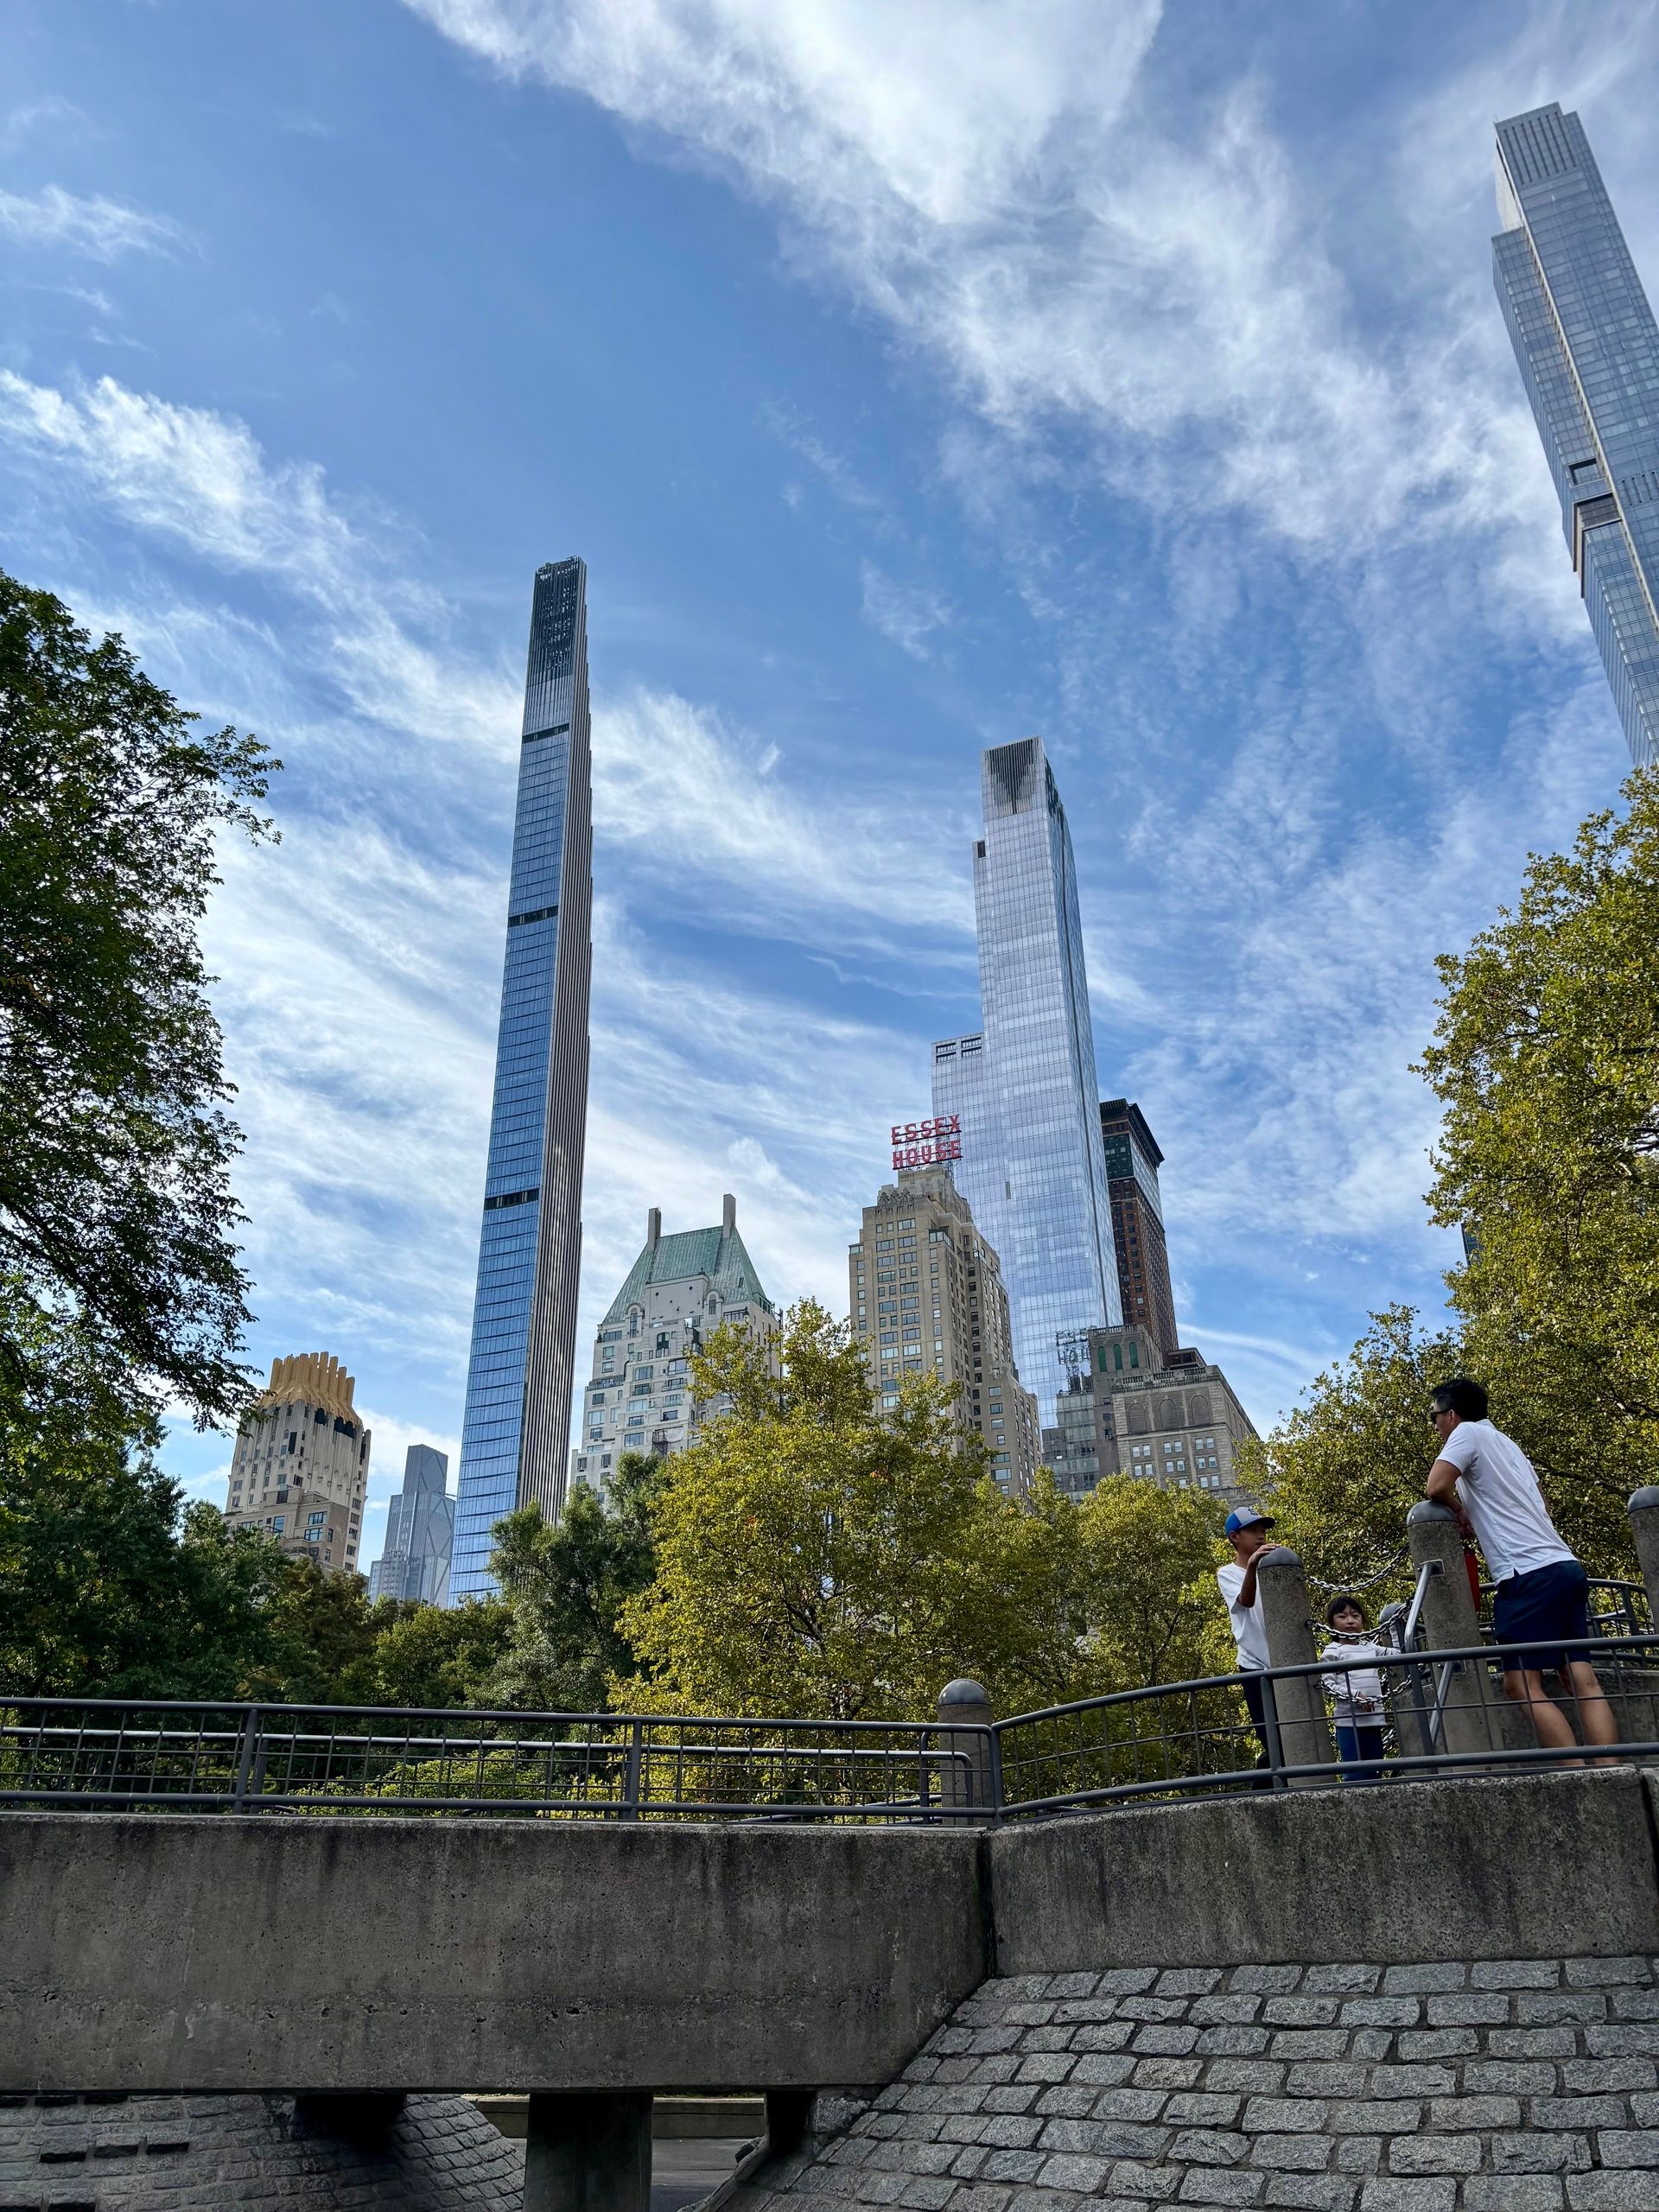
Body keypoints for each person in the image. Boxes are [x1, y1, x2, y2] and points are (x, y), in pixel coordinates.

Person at [1425, 1376, 1617, 1755]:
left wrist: (1460, 1511)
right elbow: (1543, 1505)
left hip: (1527, 1574)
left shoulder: (1466, 1434)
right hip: (1564, 1565)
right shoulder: (1509, 1445)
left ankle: (1575, 1773)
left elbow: (1436, 1486)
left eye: (1435, 1417)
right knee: (1581, 1679)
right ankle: (1613, 1769)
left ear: (1452, 1415)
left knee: (1522, 1685)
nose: (1435, 1426)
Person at [1217, 1507, 1276, 1782]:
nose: (1260, 1535)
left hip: (1282, 1662)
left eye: (1262, 1530)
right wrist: (1252, 1565)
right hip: (1255, 1666)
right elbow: (1246, 1601)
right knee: (1272, 1739)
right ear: (1234, 1537)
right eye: (1252, 1530)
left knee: (1293, 1733)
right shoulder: (1227, 1573)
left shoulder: (1272, 1566)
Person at [1319, 1594, 1390, 1782]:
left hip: (1374, 1720)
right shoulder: (1333, 1651)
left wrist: (1396, 1626)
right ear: (1332, 1623)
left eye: (1355, 1615)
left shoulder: (1370, 1648)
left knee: (1375, 1772)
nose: (1350, 1621)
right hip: (1348, 1723)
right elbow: (1328, 1685)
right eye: (1342, 1616)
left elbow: (1397, 1654)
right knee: (1354, 1774)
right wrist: (1355, 1695)